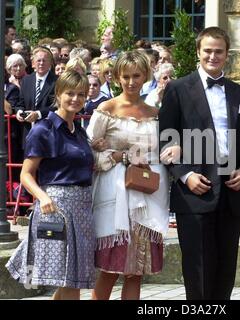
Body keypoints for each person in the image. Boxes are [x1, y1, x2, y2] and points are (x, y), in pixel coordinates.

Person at [159, 27, 240, 300]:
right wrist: (185, 175)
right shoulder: (178, 89)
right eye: (208, 51)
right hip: (194, 193)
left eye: (219, 51)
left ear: (226, 55)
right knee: (199, 272)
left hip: (230, 193)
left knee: (226, 272)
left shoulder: (239, 93)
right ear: (198, 52)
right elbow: (165, 141)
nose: (213, 56)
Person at [86, 50, 170, 300]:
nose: (131, 82)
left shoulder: (154, 113)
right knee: (110, 269)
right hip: (115, 196)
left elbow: (162, 151)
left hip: (148, 195)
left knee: (136, 272)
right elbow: (88, 151)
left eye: (136, 76)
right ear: (116, 78)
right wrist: (120, 156)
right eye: (126, 76)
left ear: (145, 76)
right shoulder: (106, 108)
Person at [6, 70, 96, 300]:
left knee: (72, 279)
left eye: (81, 94)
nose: (76, 99)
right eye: (70, 93)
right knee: (65, 277)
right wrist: (42, 197)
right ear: (58, 93)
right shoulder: (43, 129)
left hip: (83, 210)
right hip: (56, 208)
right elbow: (26, 174)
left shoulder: (80, 133)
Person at [15, 46, 57, 148]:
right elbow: (20, 102)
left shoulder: (57, 81)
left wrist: (38, 114)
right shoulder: (26, 80)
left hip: (48, 133)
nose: (41, 63)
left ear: (50, 63)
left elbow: (57, 106)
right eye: (38, 60)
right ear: (33, 63)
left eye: (44, 60)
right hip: (28, 133)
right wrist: (19, 111)